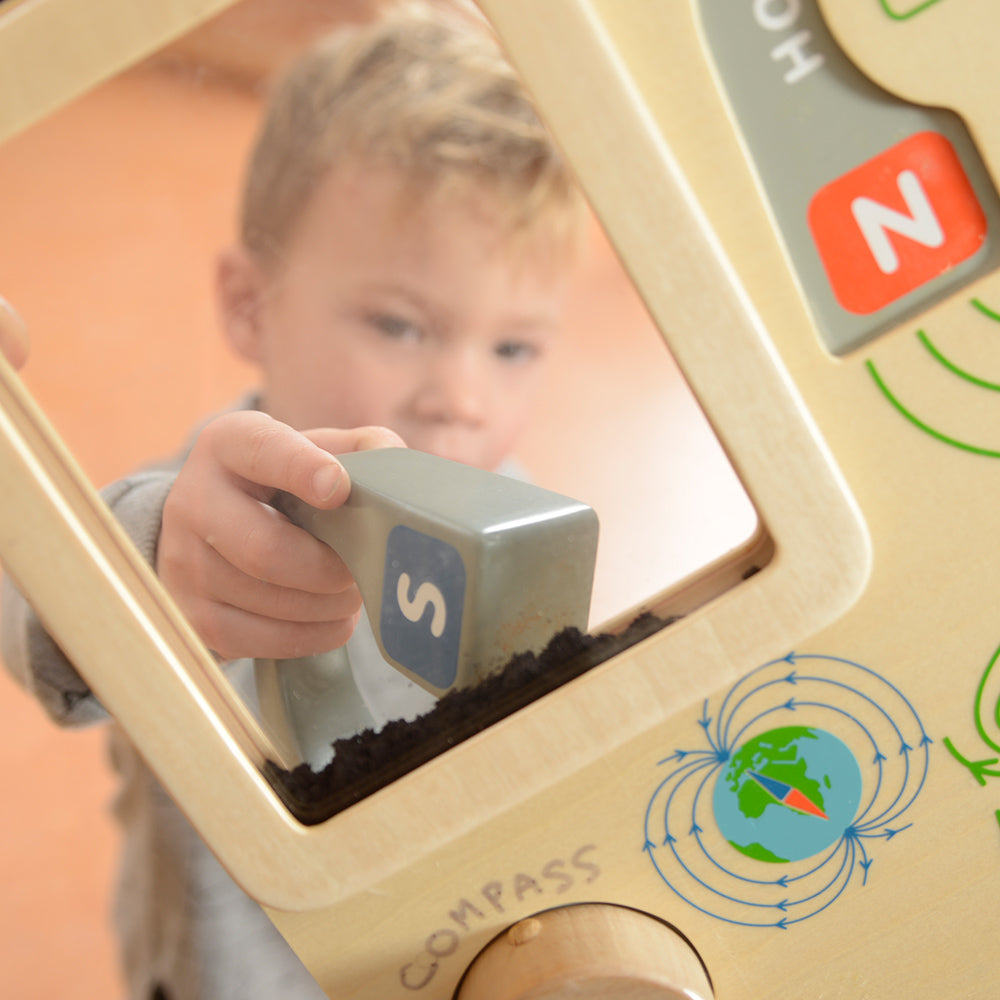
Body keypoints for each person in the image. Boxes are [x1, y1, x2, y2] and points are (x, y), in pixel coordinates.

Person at [1, 2, 583, 998]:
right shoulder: (187, 510)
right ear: (250, 306)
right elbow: (39, 607)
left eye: (513, 346)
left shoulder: (526, 528)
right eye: (401, 324)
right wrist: (160, 575)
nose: (462, 397)